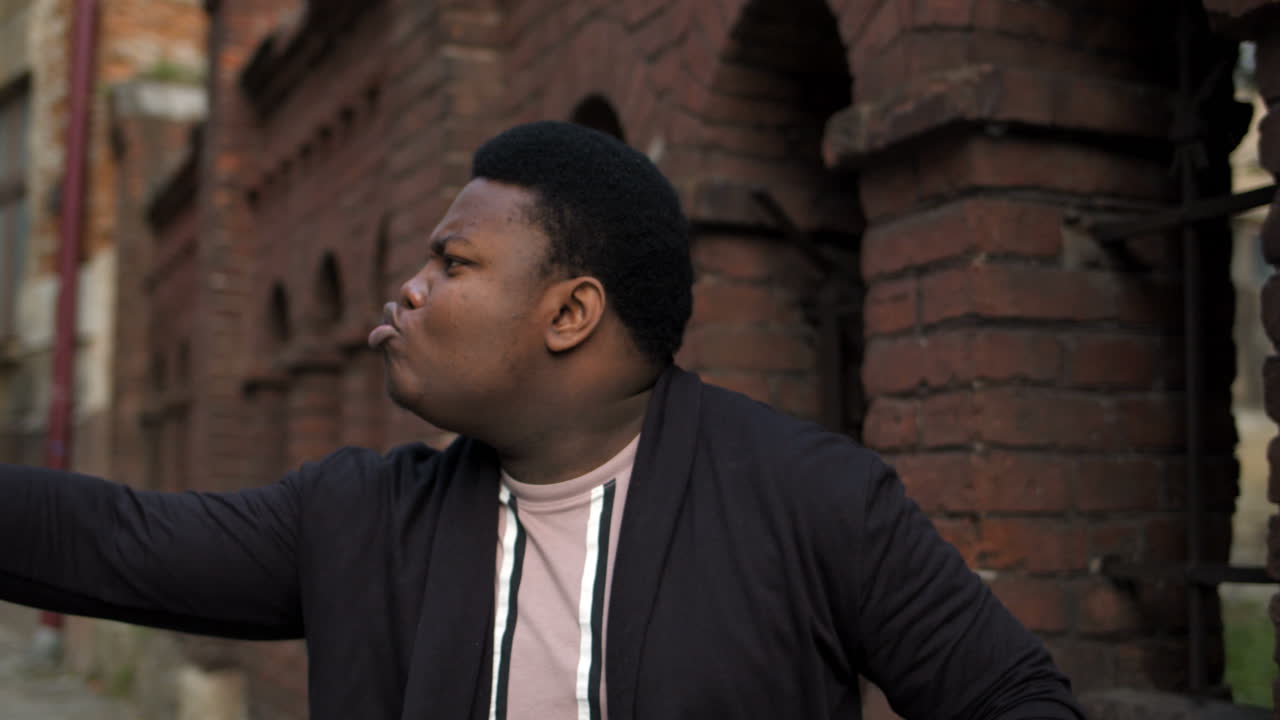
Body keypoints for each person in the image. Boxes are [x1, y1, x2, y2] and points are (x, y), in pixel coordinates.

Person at [0, 121, 1083, 720]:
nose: (410, 289)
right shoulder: (358, 518)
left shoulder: (813, 500)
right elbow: (108, 540)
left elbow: (1013, 701)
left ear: (570, 313)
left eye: (452, 262)